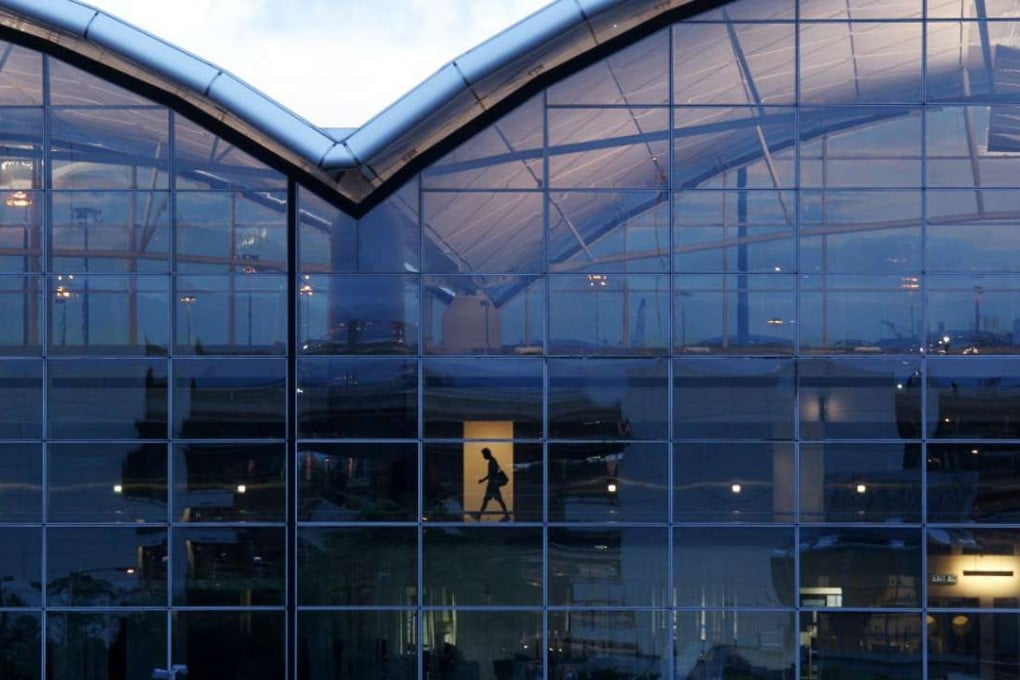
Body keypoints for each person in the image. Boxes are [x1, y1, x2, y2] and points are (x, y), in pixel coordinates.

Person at [477, 447, 511, 521]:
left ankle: (478, 516)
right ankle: (507, 515)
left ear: (487, 454)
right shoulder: (493, 461)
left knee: (486, 500)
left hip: (492, 484)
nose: (483, 456)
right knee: (498, 500)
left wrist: (482, 480)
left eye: (483, 455)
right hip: (494, 484)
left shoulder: (492, 462)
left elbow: (491, 474)